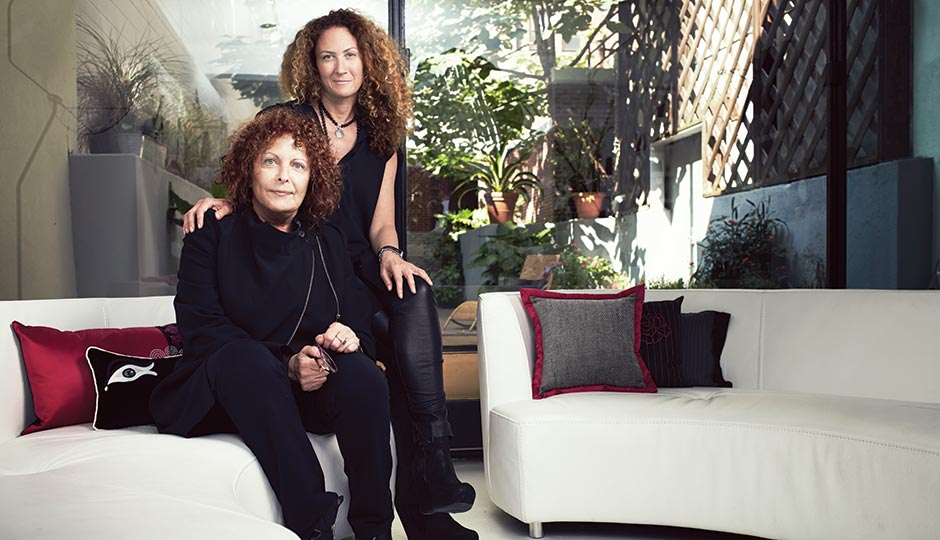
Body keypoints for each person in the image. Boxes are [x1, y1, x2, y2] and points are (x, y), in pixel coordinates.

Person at [183, 9, 477, 540]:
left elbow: (382, 220)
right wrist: (225, 205)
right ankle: (400, 511)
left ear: (368, 60)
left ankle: (431, 481)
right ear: (311, 65)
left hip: (350, 267)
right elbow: (264, 164)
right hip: (299, 255)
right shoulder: (288, 119)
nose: (340, 66)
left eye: (350, 54)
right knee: (370, 370)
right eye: (327, 56)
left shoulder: (383, 132)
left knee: (413, 304)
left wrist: (389, 253)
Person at [151, 107, 393, 540]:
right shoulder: (212, 230)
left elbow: (354, 314)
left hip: (302, 391)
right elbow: (202, 327)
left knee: (362, 377)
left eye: (298, 164)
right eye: (271, 161)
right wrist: (286, 364)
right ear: (249, 169)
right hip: (225, 389)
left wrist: (347, 336)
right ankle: (313, 523)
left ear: (312, 178)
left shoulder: (328, 240)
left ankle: (374, 530)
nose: (285, 176)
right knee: (244, 358)